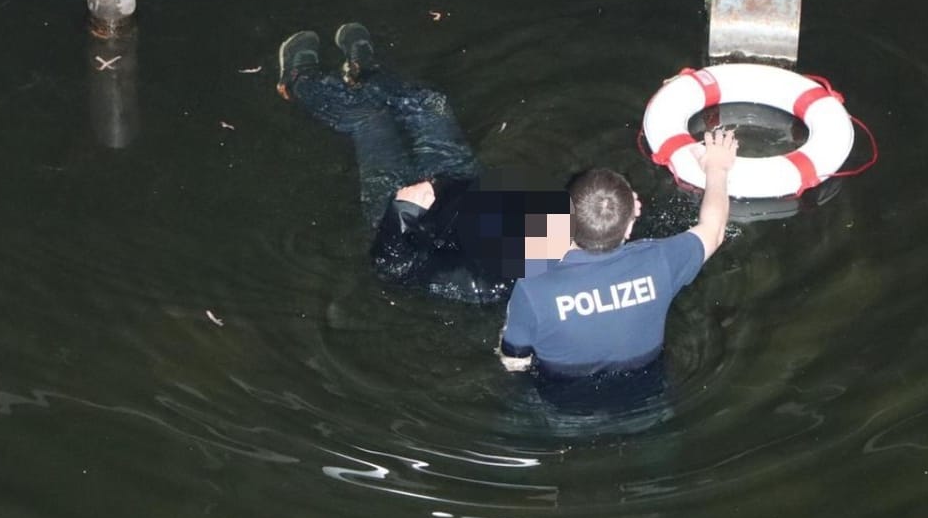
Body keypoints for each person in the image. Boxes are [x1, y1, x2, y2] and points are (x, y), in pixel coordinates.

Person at [277, 23, 569, 304]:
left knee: (371, 121)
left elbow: (392, 268)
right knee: (430, 103)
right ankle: (365, 75)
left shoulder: (481, 284)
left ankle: (298, 81)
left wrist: (402, 210)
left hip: (409, 219)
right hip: (460, 182)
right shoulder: (568, 237)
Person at [497, 130, 739, 385]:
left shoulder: (533, 287)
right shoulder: (660, 261)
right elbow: (714, 230)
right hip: (646, 394)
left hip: (567, 405)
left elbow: (515, 359)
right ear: (630, 227)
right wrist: (717, 168)